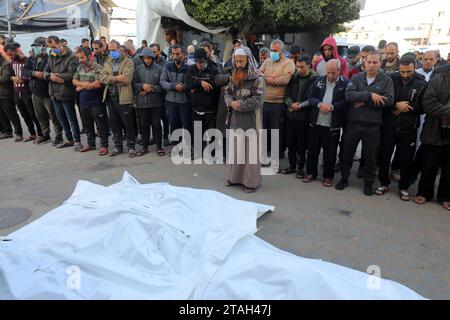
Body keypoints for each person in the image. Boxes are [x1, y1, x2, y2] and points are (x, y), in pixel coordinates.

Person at [336, 51, 394, 196]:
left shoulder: (386, 80)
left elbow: (388, 101)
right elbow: (349, 95)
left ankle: (368, 183)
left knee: (371, 158)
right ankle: (344, 179)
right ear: (364, 62)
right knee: (346, 154)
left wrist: (362, 100)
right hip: (353, 124)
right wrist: (370, 95)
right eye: (369, 62)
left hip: (372, 126)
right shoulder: (356, 78)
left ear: (380, 63)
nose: (372, 65)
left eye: (375, 62)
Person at [375, 55, 427, 201]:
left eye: (408, 72)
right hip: (389, 126)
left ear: (414, 67)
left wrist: (408, 107)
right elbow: (383, 99)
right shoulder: (390, 79)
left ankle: (404, 187)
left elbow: (425, 107)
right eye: (402, 71)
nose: (405, 75)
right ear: (399, 68)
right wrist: (396, 104)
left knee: (406, 160)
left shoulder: (422, 84)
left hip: (408, 129)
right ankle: (383, 183)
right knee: (384, 157)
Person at [224, 46, 265, 193]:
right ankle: (235, 178)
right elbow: (227, 93)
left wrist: (238, 104)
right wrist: (230, 102)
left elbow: (258, 100)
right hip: (236, 119)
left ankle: (251, 182)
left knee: (251, 153)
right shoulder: (233, 76)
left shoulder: (258, 77)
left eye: (242, 61)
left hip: (252, 120)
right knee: (236, 150)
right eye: (237, 60)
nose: (239, 64)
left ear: (248, 60)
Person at [304, 59, 349, 187]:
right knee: (313, 150)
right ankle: (311, 173)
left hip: (332, 125)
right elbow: (311, 98)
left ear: (339, 71)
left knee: (330, 153)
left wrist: (332, 107)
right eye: (328, 72)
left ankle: (328, 176)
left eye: (333, 73)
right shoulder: (319, 80)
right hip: (316, 122)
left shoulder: (345, 83)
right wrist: (319, 104)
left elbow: (346, 101)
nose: (330, 76)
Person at [412, 64, 450, 212]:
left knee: (449, 168)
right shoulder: (438, 77)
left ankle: (446, 196)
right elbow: (428, 104)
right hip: (434, 129)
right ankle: (424, 193)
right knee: (429, 164)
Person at [260, 39, 295, 168]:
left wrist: (268, 79)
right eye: (272, 50)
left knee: (276, 130)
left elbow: (285, 79)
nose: (273, 53)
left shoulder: (288, 62)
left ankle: (276, 156)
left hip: (278, 103)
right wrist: (272, 79)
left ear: (282, 51)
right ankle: (265, 155)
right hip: (265, 101)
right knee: (264, 129)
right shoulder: (267, 61)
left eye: (275, 51)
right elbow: (259, 74)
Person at [281, 55, 318, 179]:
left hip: (304, 117)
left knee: (302, 145)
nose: (299, 69)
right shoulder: (293, 77)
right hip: (291, 115)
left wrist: (300, 106)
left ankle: (301, 168)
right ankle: (292, 166)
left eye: (302, 67)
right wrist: (291, 104)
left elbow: (313, 98)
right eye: (297, 66)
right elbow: (286, 94)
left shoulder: (315, 80)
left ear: (309, 66)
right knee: (290, 143)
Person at [22, 37, 63, 145]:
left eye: (38, 46)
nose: (35, 48)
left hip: (47, 93)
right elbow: (24, 71)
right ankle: (45, 135)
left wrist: (43, 75)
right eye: (34, 46)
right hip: (35, 93)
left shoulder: (49, 58)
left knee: (54, 117)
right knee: (40, 116)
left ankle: (59, 136)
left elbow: (48, 73)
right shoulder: (31, 58)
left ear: (44, 47)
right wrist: (35, 73)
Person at [100, 40, 137, 158]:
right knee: (114, 124)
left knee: (128, 124)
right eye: (109, 50)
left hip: (124, 98)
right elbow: (102, 78)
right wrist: (117, 78)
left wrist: (110, 79)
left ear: (120, 49)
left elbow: (126, 79)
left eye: (113, 50)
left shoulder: (128, 62)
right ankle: (118, 147)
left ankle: (131, 147)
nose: (111, 52)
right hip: (111, 98)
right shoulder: (108, 62)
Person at [44, 35, 82, 150]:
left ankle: (77, 140)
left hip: (66, 92)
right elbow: (45, 70)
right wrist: (49, 76)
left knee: (71, 118)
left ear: (60, 43)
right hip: (54, 92)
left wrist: (56, 76)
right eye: (50, 47)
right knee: (61, 118)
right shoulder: (51, 55)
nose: (52, 49)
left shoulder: (71, 57)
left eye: (54, 46)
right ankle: (69, 139)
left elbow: (72, 74)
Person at [72, 47, 108, 155]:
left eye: (82, 57)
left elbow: (97, 84)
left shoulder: (98, 68)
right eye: (78, 58)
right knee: (87, 125)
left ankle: (104, 146)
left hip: (96, 102)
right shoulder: (79, 67)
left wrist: (81, 86)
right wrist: (87, 85)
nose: (80, 60)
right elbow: (74, 81)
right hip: (83, 101)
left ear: (90, 56)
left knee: (101, 125)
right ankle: (91, 144)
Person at [185, 48, 220, 157]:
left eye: (201, 62)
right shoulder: (191, 69)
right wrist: (200, 82)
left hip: (210, 108)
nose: (199, 64)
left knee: (211, 132)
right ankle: (197, 152)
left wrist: (196, 87)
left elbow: (213, 87)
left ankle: (213, 153)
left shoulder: (213, 70)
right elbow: (188, 84)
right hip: (196, 107)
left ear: (206, 60)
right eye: (197, 61)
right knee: (197, 131)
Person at [5, 43, 43, 142]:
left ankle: (41, 134)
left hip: (27, 91)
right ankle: (32, 133)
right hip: (16, 92)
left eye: (11, 54)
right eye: (8, 55)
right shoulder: (12, 62)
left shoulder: (28, 60)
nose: (10, 57)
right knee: (24, 114)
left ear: (17, 51)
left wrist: (23, 79)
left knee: (33, 114)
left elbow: (31, 74)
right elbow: (10, 75)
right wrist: (12, 77)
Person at [133, 47, 165, 157]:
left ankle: (159, 147)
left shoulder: (159, 69)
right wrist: (142, 86)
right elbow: (133, 84)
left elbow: (162, 87)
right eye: (145, 58)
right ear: (142, 58)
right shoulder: (138, 69)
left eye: (149, 58)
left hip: (155, 103)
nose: (147, 60)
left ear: (153, 58)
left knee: (156, 125)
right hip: (142, 103)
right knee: (144, 125)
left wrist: (149, 89)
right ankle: (145, 147)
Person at [160, 44, 191, 141]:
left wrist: (184, 87)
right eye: (173, 54)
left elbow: (191, 84)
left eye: (178, 54)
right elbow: (162, 82)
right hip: (170, 101)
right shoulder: (167, 66)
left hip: (184, 102)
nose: (175, 56)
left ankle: (187, 146)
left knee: (186, 125)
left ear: (184, 54)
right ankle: (175, 146)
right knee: (173, 125)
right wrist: (174, 86)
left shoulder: (189, 68)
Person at [0, 50, 23, 141]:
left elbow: (6, 78)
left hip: (6, 93)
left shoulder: (5, 64)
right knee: (1, 114)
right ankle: (7, 131)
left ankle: (18, 133)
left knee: (11, 113)